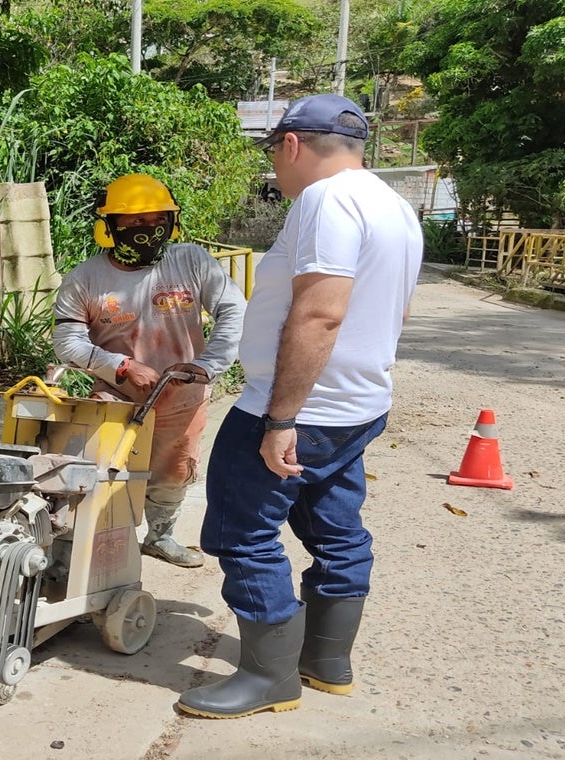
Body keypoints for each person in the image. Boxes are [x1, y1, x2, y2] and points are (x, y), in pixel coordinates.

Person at [177, 95, 423, 718]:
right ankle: (326, 660)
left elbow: (321, 311)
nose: (276, 173)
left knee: (244, 532)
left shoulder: (326, 199)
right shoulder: (395, 207)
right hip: (357, 407)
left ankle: (268, 678)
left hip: (297, 410)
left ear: (291, 144)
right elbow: (397, 311)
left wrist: (281, 417)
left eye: (274, 155)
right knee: (336, 530)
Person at [52, 173, 246, 568]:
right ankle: (82, 545)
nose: (147, 229)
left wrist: (207, 365)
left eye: (157, 219)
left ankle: (160, 535)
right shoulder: (85, 279)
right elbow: (67, 343)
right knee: (98, 468)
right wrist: (120, 365)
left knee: (175, 470)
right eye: (134, 222)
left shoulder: (191, 261)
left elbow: (234, 310)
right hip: (114, 395)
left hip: (182, 391)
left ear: (171, 222)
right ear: (109, 227)